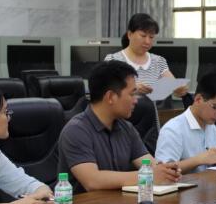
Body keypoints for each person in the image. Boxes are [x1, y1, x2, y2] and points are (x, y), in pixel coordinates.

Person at [57, 60, 181, 193]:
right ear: (110, 97)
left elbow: (148, 164)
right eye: (132, 94)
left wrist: (166, 171)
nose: (136, 100)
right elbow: (92, 181)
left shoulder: (126, 128)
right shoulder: (76, 130)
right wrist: (149, 175)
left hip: (119, 203)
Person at [155, 72, 216, 173]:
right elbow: (164, 171)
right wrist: (197, 160)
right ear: (198, 99)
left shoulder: (211, 126)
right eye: (215, 107)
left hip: (207, 181)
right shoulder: (173, 129)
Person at [104, 13, 188, 98]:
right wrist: (132, 89)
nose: (147, 41)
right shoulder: (112, 60)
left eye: (151, 37)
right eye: (143, 36)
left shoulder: (159, 61)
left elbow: (173, 86)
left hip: (152, 107)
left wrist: (179, 90)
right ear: (129, 34)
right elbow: (105, 90)